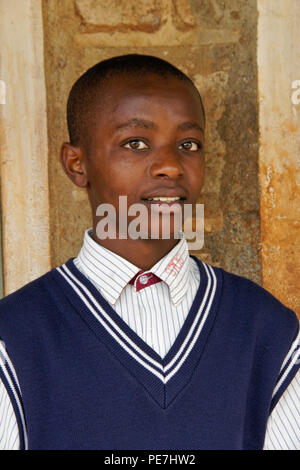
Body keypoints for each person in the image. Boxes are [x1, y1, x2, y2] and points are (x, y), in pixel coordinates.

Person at [0, 54, 299, 450]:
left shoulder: (267, 331)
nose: (171, 167)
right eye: (136, 143)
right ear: (77, 164)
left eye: (188, 144)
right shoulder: (14, 340)